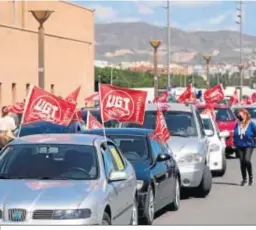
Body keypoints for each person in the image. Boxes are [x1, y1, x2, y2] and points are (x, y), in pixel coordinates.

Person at [234, 109, 256, 186]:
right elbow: (235, 133)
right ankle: (244, 179)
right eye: (238, 116)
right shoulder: (237, 124)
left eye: (241, 115)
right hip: (239, 145)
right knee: (242, 162)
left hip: (249, 145)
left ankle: (251, 177)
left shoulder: (251, 124)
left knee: (246, 160)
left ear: (245, 115)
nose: (239, 117)